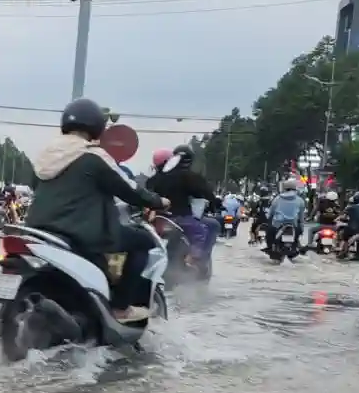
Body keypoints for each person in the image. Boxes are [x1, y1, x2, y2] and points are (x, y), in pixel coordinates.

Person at [24, 97, 168, 323]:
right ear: (97, 126)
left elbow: (37, 187)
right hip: (80, 232)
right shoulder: (93, 156)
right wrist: (158, 201)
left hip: (38, 229)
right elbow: (129, 190)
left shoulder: (45, 156)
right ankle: (121, 307)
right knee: (143, 241)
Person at [148, 144, 221, 265]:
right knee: (206, 229)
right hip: (180, 218)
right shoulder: (189, 177)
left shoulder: (153, 179)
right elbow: (205, 193)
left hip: (157, 219)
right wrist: (214, 203)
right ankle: (195, 259)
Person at [266, 178, 307, 250]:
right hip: (293, 224)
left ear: (284, 188)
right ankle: (296, 245)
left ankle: (270, 247)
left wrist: (269, 216)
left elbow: (271, 212)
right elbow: (301, 217)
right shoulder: (300, 200)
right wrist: (301, 228)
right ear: (295, 188)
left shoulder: (277, 198)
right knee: (297, 234)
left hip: (278, 224)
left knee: (269, 233)